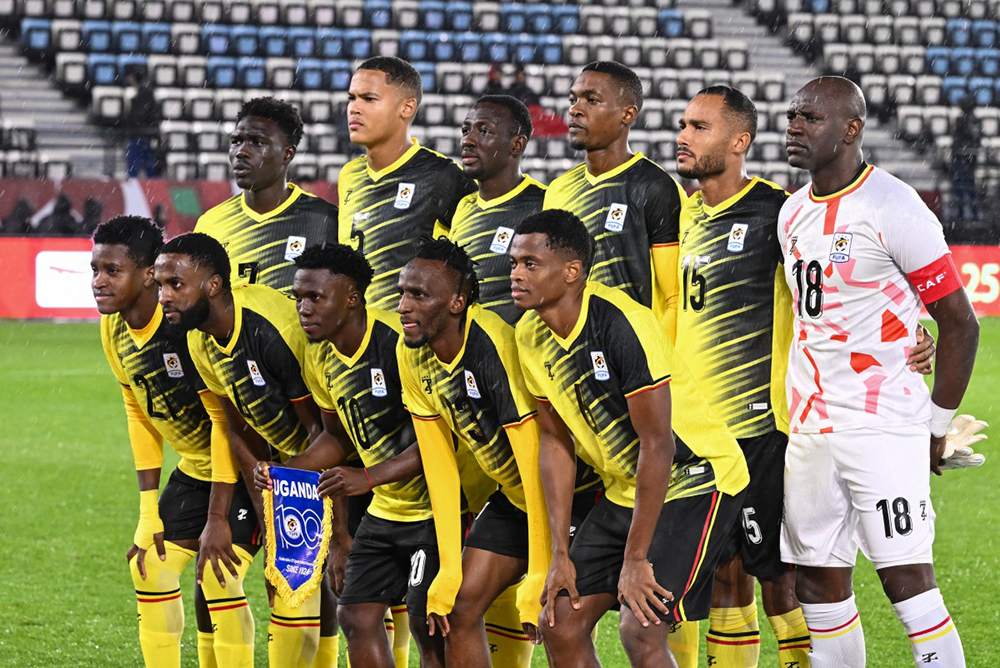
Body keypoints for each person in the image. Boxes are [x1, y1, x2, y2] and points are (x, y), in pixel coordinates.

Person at [780, 76, 979, 667]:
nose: (795, 125)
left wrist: (935, 427)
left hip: (884, 425)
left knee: (908, 582)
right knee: (816, 582)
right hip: (811, 428)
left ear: (851, 129)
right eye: (793, 114)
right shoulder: (791, 213)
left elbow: (961, 323)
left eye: (811, 117)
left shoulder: (893, 205)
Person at [509, 209, 748, 668]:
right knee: (560, 620)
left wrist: (636, 559)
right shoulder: (529, 336)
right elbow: (556, 445)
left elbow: (659, 445)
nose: (515, 274)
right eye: (514, 263)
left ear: (572, 272)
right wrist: (559, 554)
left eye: (530, 264)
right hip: (626, 491)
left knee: (640, 627)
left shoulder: (620, 323)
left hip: (697, 480)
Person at [252, 243, 445, 668]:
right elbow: (337, 439)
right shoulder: (319, 354)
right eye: (298, 297)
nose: (303, 308)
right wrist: (289, 469)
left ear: (352, 297)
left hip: (437, 509)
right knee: (355, 616)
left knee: (428, 626)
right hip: (387, 508)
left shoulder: (398, 344)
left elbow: (440, 442)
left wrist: (369, 478)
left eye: (315, 297)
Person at [674, 86, 808, 668]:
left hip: (758, 430)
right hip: (695, 432)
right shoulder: (677, 217)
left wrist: (914, 335)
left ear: (739, 141)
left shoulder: (778, 213)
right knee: (721, 576)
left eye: (699, 127)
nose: (683, 136)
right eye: (683, 124)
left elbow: (837, 291)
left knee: (777, 575)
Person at [154, 232, 331, 668]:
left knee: (301, 591)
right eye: (159, 285)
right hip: (272, 468)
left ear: (213, 286)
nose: (163, 297)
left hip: (325, 462)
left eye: (175, 284)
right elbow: (233, 424)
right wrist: (250, 505)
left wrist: (288, 508)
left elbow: (323, 431)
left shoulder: (271, 331)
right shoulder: (197, 338)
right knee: (217, 572)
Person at [92, 216, 258, 667]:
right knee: (148, 567)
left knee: (220, 576)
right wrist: (148, 513)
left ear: (148, 274)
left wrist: (218, 516)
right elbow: (137, 409)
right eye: (95, 270)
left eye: (111, 271)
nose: (98, 282)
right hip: (195, 469)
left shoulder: (186, 329)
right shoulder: (113, 329)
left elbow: (228, 422)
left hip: (247, 470)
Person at [396, 236, 549, 668]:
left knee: (557, 617)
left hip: (566, 499)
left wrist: (539, 571)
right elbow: (441, 471)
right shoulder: (412, 351)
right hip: (515, 498)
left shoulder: (494, 349)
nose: (404, 306)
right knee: (456, 609)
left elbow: (538, 469)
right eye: (402, 293)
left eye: (419, 295)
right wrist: (448, 567)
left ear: (457, 302)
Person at [544, 61, 685, 332]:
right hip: (575, 356)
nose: (574, 110)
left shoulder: (655, 188)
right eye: (573, 99)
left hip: (636, 359)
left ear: (627, 114)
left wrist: (651, 362)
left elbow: (675, 299)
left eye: (592, 100)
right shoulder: (559, 190)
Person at [338, 56, 476, 310]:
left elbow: (471, 260)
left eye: (368, 99)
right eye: (351, 98)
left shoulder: (440, 175)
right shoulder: (349, 174)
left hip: (408, 337)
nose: (354, 108)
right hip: (355, 335)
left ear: (407, 107)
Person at [195, 96, 339, 295]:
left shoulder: (326, 221)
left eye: (257, 142)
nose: (241, 152)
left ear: (287, 154)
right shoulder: (211, 224)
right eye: (236, 141)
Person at [450, 95, 546, 326]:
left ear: (516, 145)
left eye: (484, 131)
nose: (467, 141)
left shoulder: (545, 205)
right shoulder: (463, 207)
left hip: (518, 356)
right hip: (468, 355)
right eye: (466, 130)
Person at [124, 68, 160, 178]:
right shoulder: (146, 92)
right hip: (145, 134)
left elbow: (140, 114)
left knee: (135, 164)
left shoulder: (143, 93)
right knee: (147, 164)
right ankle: (151, 186)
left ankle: (134, 184)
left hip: (140, 134)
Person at [951, 95, 981, 223]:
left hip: (964, 156)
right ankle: (968, 214)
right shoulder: (974, 120)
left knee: (964, 187)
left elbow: (966, 137)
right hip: (967, 156)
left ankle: (965, 214)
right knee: (966, 187)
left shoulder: (967, 120)